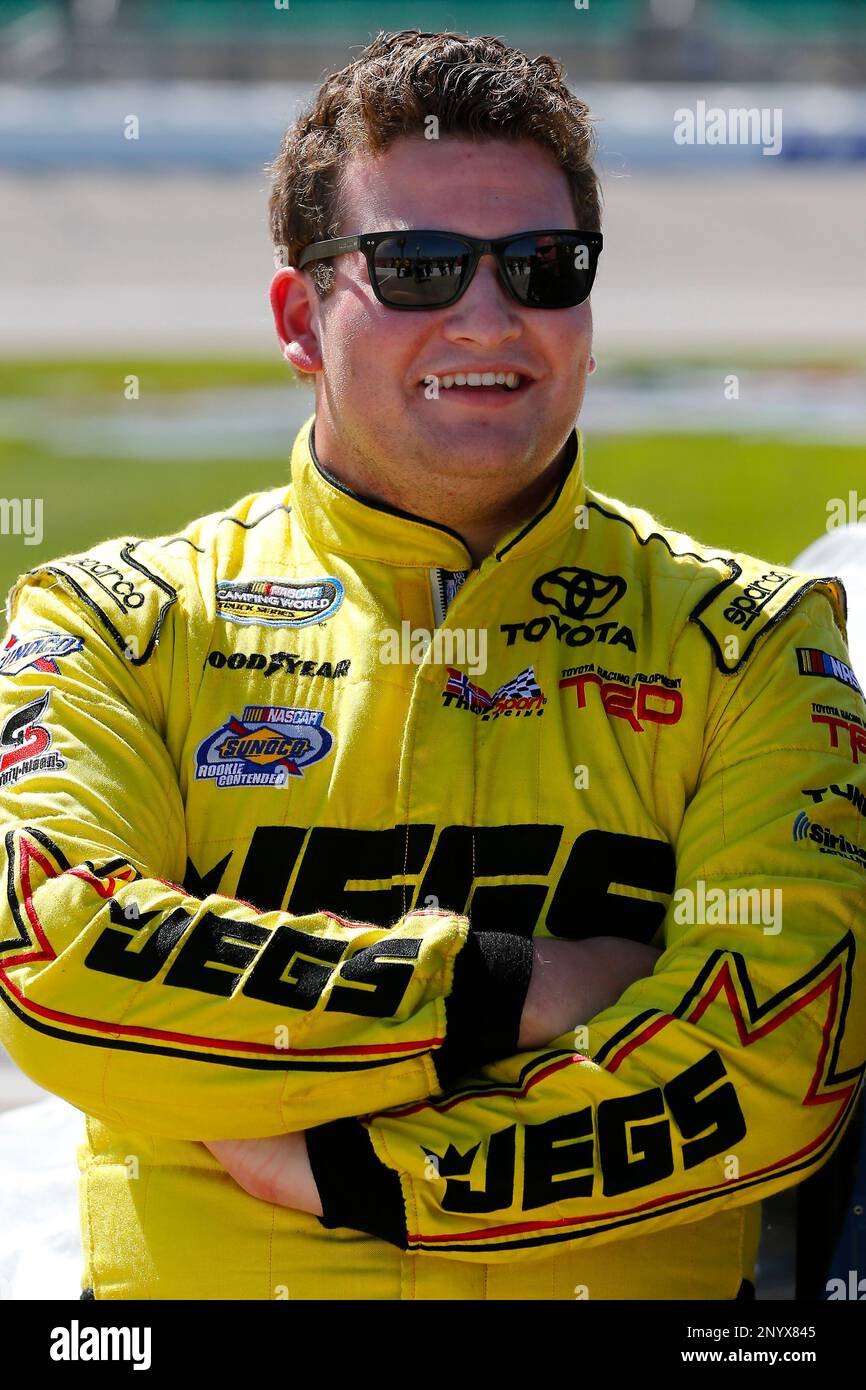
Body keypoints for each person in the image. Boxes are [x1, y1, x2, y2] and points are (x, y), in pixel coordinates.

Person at [1, 29, 864, 1302]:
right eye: (415, 268)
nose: (488, 314)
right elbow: (57, 964)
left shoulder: (755, 641)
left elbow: (771, 1064)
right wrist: (503, 986)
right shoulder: (111, 623)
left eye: (541, 265)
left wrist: (353, 1171)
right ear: (300, 318)